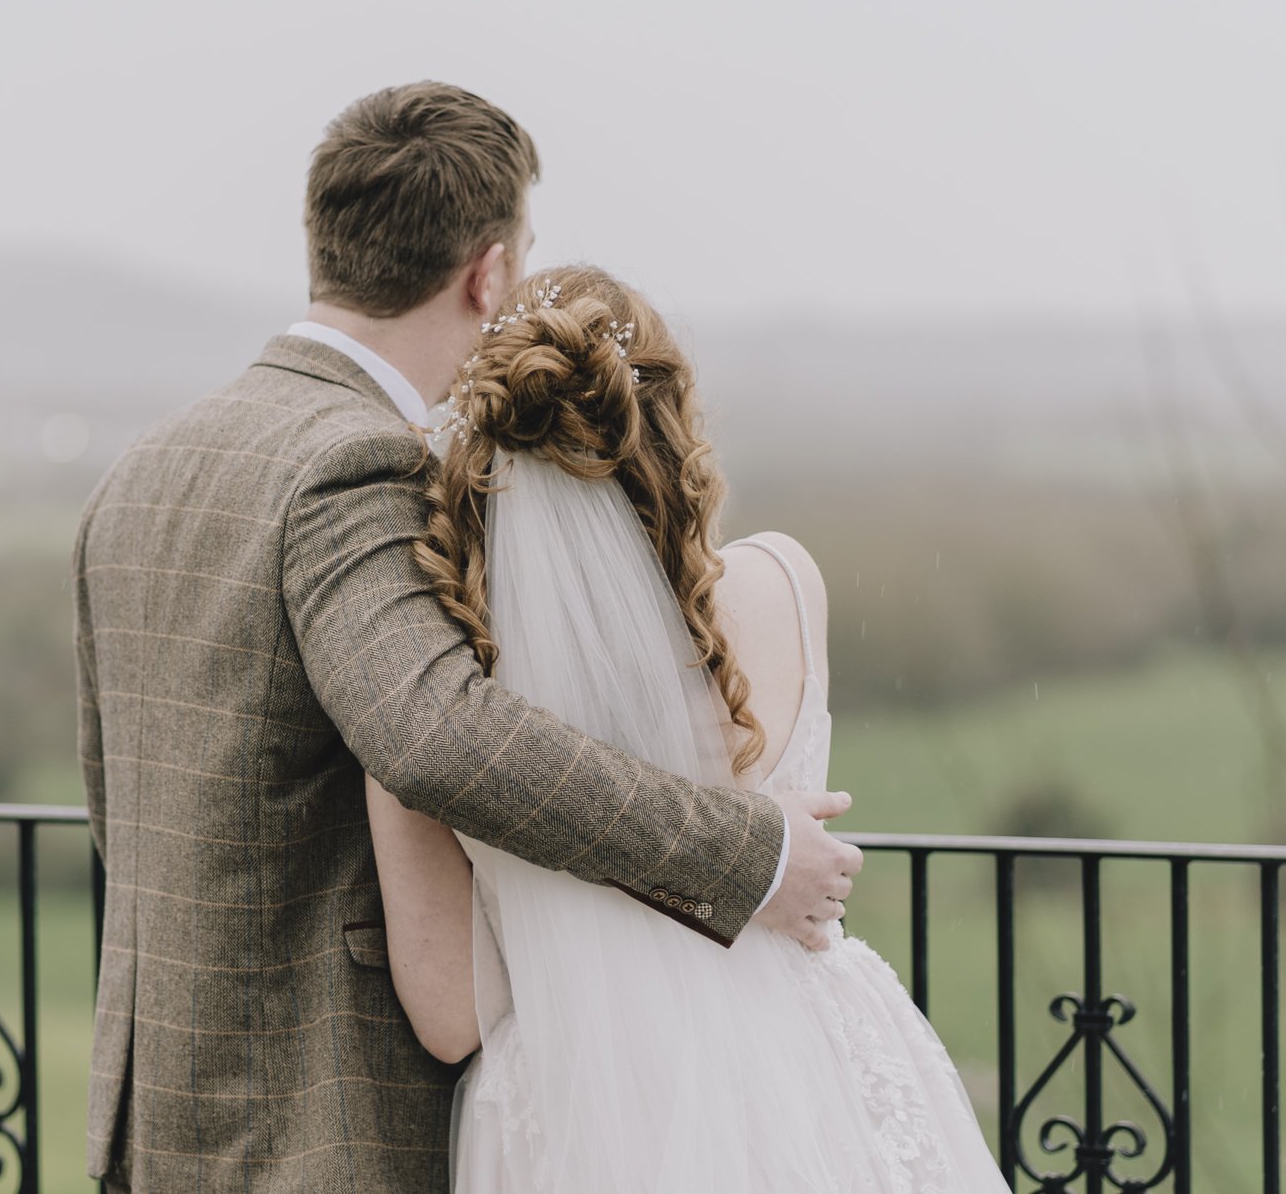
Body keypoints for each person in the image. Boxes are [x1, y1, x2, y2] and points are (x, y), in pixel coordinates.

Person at [73, 82, 863, 1192]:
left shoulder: (141, 473)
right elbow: (440, 735)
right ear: (488, 271)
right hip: (318, 1122)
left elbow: (122, 804)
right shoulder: (356, 462)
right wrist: (747, 853)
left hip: (159, 1112)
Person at [366, 264, 1014, 1192]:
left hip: (575, 1103)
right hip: (801, 1069)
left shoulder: (441, 689)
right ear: (671, 428)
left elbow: (449, 1016)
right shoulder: (784, 584)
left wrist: (562, 927)